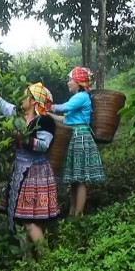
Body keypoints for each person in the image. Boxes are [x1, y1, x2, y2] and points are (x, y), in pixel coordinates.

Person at [0, 75, 60, 257]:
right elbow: (0, 103)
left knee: (29, 219)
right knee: (23, 218)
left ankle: (47, 258)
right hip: (20, 172)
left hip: (36, 173)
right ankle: (30, 261)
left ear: (34, 101)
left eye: (25, 96)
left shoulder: (45, 121)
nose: (21, 99)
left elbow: (43, 145)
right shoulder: (18, 116)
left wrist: (22, 137)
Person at [48, 67, 105, 217]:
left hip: (80, 137)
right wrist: (47, 113)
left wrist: (49, 106)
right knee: (74, 178)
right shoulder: (77, 98)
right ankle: (73, 212)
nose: (68, 83)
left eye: (70, 79)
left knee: (79, 179)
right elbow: (65, 118)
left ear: (78, 82)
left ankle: (78, 214)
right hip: (74, 136)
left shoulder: (81, 97)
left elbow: (64, 108)